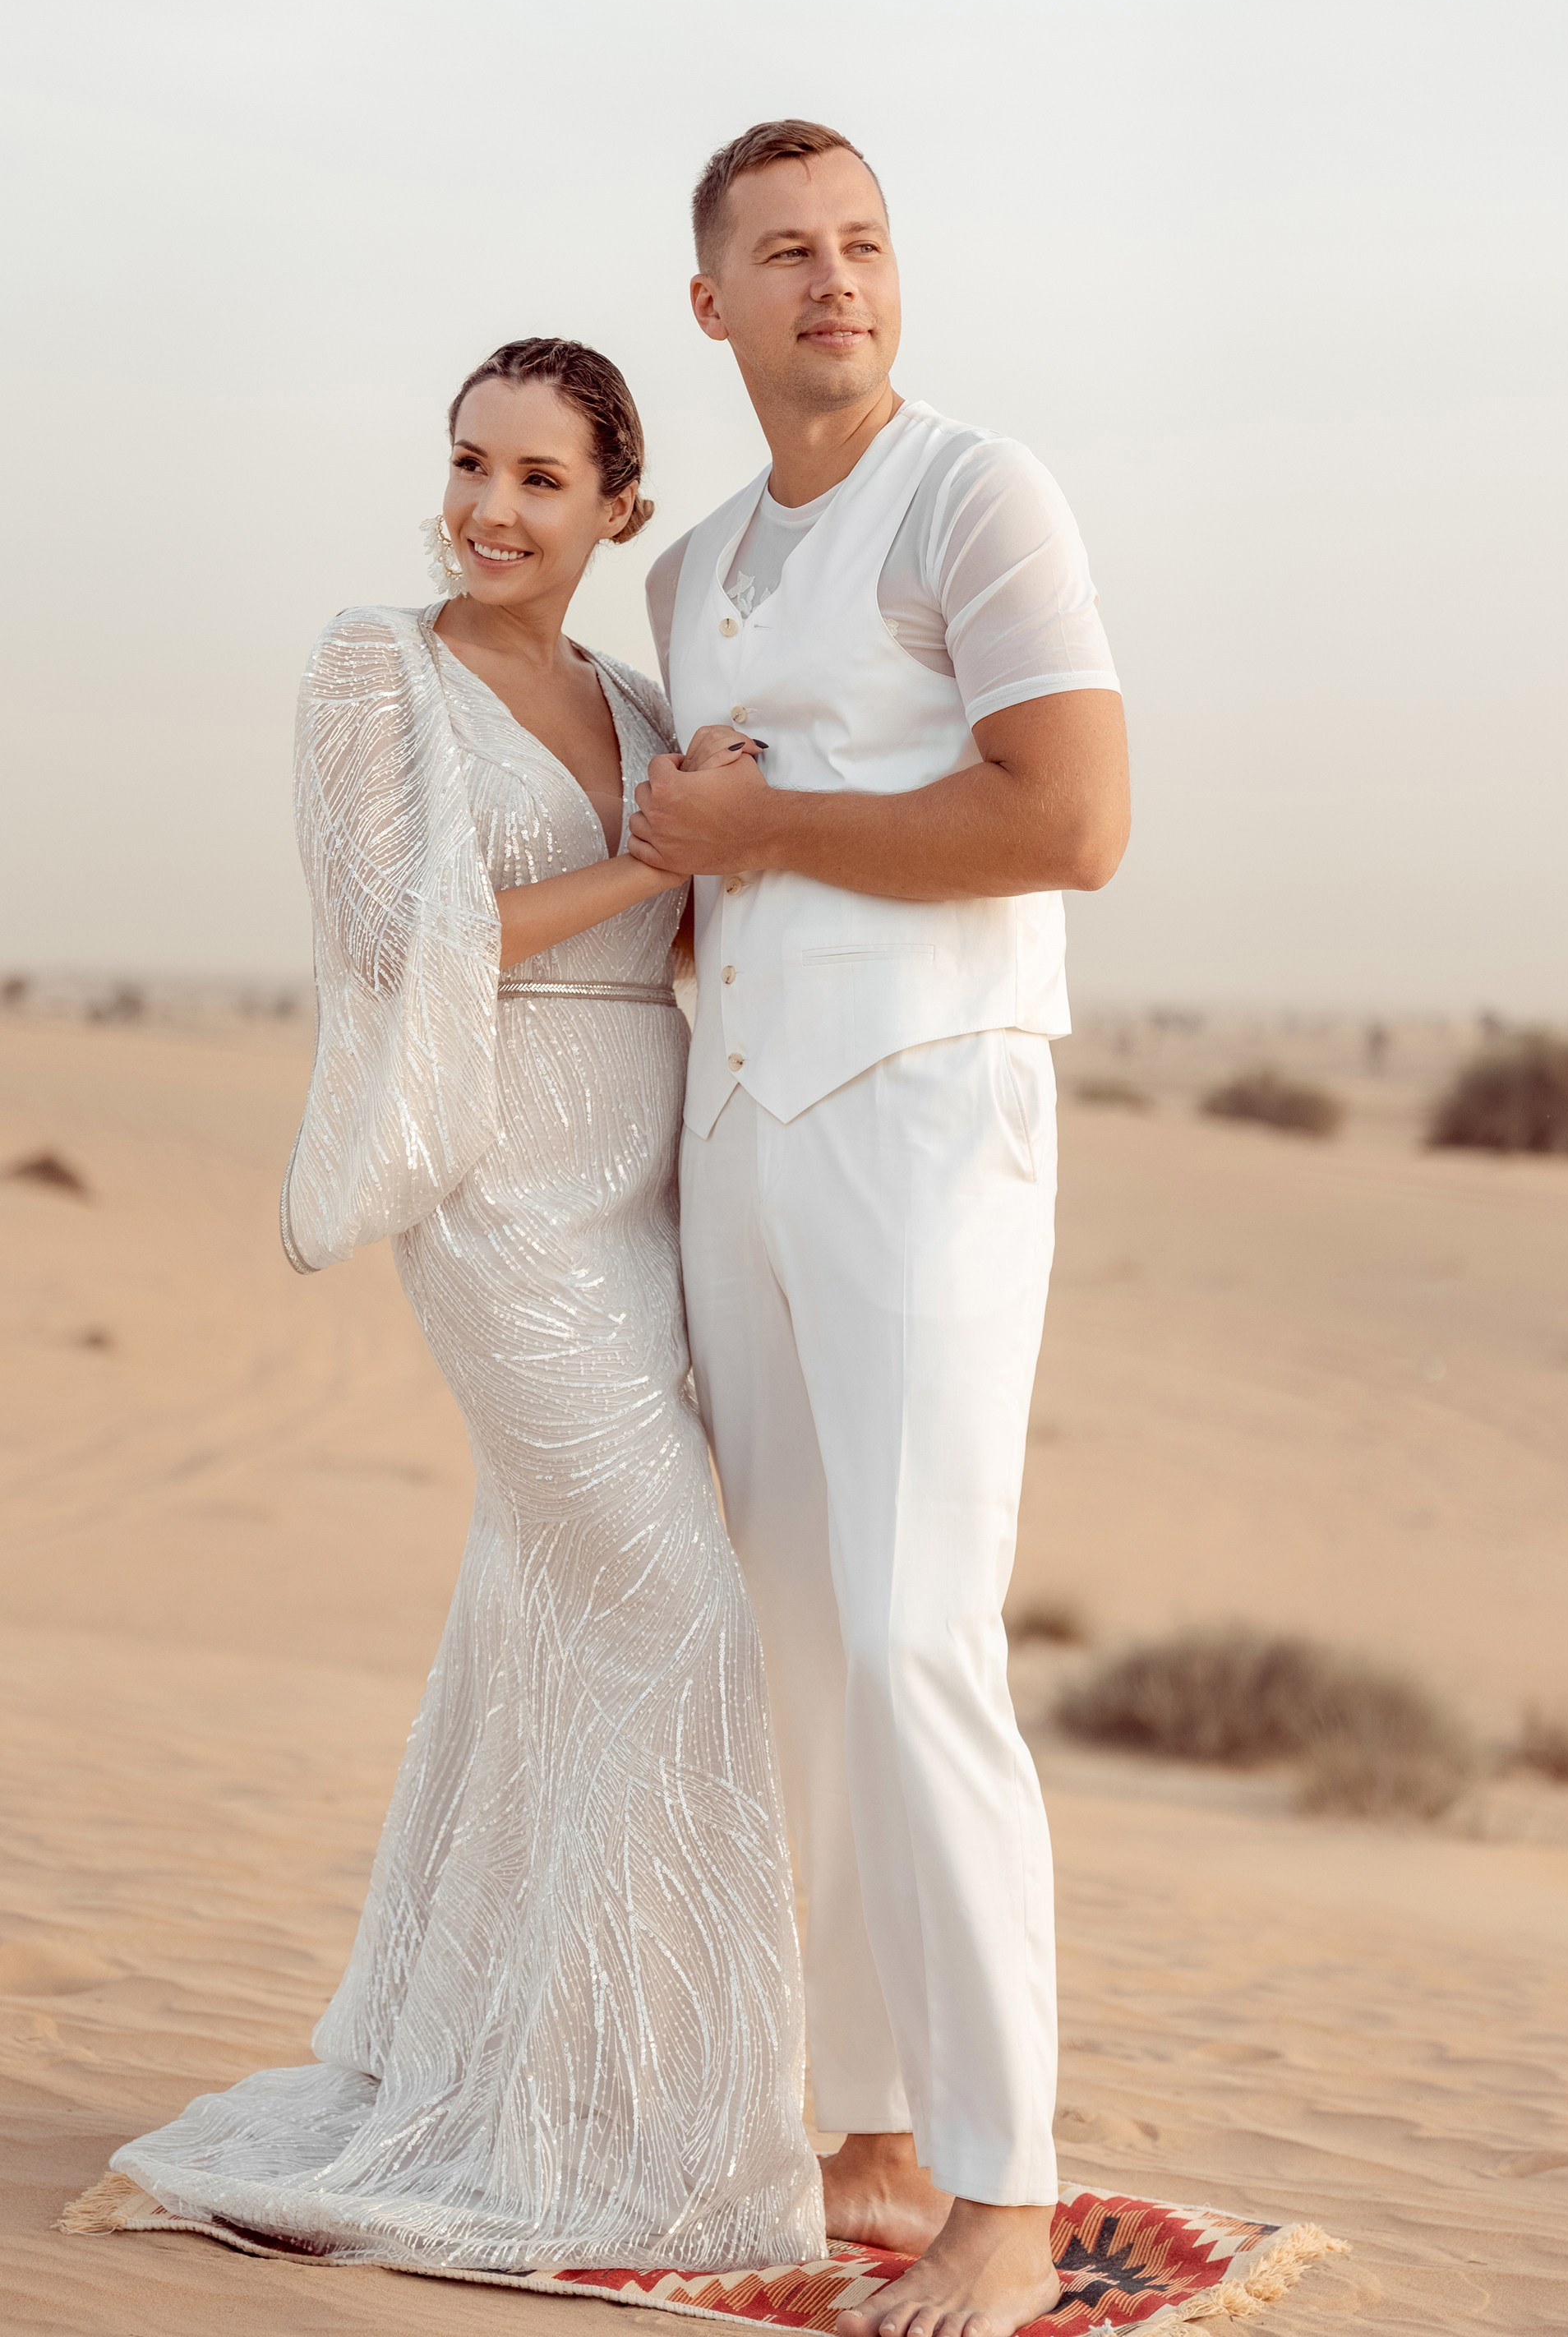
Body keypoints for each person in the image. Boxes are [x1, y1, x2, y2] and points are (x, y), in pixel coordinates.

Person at [99, 337, 825, 2277]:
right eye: (466, 466)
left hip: (653, 1176)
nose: (487, 511)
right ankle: (658, 2132)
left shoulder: (643, 697)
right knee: (673, 1609)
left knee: (546, 1618)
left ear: (615, 510)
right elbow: (390, 937)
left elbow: (722, 905)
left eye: (535, 481)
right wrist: (648, 856)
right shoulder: (376, 666)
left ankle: (529, 2067)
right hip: (499, 1191)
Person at [633, 121, 1131, 2337]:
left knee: (926, 1628)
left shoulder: (977, 496)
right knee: (800, 1641)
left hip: (929, 1116)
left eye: (864, 246)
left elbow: (1073, 819)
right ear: (712, 304)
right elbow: (705, 858)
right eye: (785, 255)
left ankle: (1007, 2188)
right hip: (739, 1121)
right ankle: (864, 2120)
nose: (836, 283)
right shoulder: (696, 566)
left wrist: (770, 829)